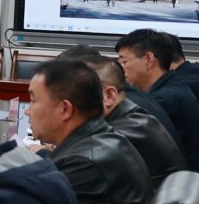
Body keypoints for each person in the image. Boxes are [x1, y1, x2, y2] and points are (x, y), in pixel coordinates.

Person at [26, 58, 150, 204]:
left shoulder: (87, 164)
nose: (27, 110)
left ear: (65, 109)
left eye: (32, 100)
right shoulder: (100, 141)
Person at [117, 29, 199, 169]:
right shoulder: (176, 82)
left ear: (149, 59)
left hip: (197, 172)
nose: (121, 69)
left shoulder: (165, 98)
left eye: (124, 62)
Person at [68, 51, 185, 191]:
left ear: (109, 96)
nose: (68, 107)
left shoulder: (121, 134)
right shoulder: (131, 117)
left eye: (75, 96)